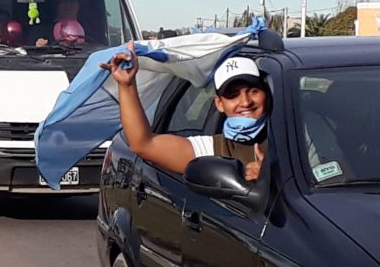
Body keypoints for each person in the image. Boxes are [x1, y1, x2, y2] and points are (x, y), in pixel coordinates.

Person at [103, 46, 268, 180]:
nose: (246, 102)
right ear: (219, 103)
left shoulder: (290, 139)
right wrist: (127, 85)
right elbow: (144, 144)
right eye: (233, 95)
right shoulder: (212, 149)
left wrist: (273, 179)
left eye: (253, 91)